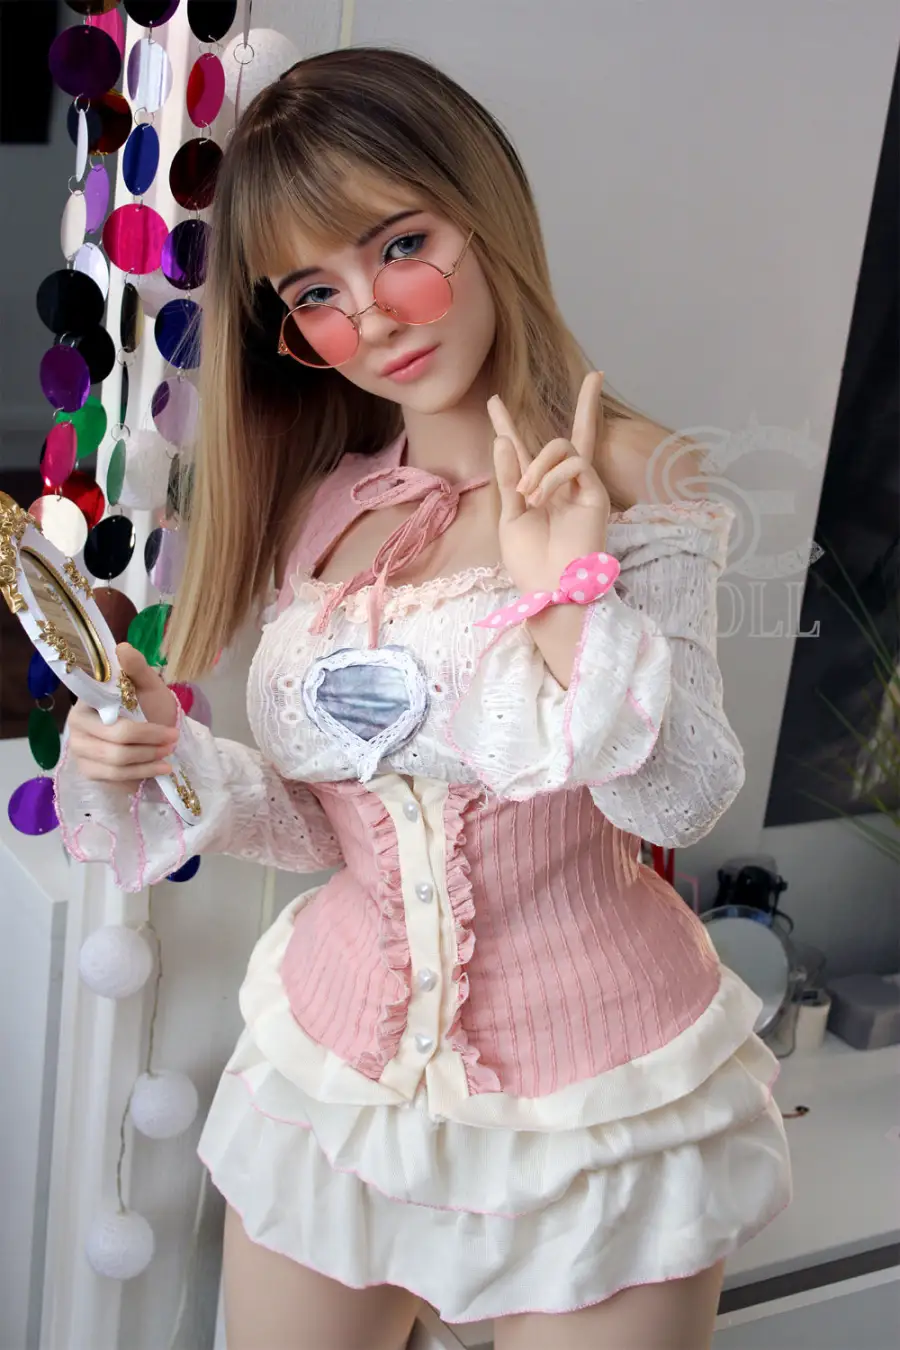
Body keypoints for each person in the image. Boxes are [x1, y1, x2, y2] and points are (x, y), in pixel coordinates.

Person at [55, 48, 791, 1350]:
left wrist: (566, 598)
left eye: (401, 245)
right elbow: (325, 824)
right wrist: (173, 758)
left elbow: (681, 797)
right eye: (317, 295)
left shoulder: (639, 476)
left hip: (599, 1106)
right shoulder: (326, 505)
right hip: (338, 1087)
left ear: (484, 209)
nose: (380, 318)